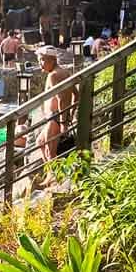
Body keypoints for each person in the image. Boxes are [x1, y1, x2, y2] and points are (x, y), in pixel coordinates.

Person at [35, 46, 79, 185]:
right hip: (56, 117)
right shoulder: (64, 72)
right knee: (40, 143)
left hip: (55, 117)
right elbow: (76, 95)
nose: (40, 63)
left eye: (42, 60)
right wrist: (71, 114)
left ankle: (55, 178)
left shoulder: (54, 75)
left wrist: (63, 122)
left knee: (50, 150)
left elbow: (61, 99)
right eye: (39, 60)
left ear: (52, 59)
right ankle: (51, 174)